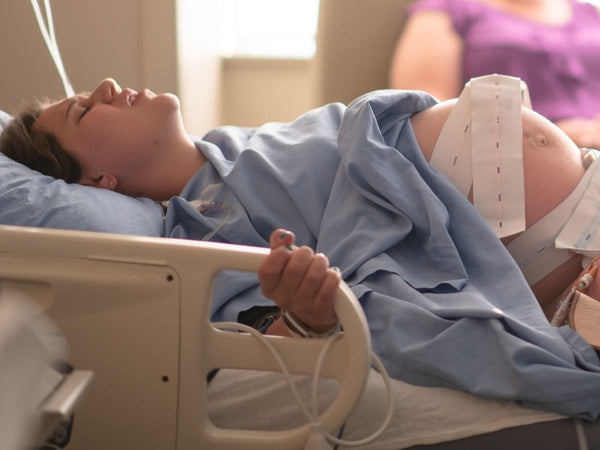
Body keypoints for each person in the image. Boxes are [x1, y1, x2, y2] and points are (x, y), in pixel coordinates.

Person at [2, 78, 600, 419]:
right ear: (98, 182)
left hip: (572, 200)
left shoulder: (231, 147)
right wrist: (304, 316)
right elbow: (262, 329)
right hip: (541, 240)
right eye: (83, 110)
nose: (105, 86)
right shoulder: (194, 236)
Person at [389, 0, 600, 149]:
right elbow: (425, 115)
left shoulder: (591, 13)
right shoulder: (447, 9)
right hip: (521, 164)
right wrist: (542, 136)